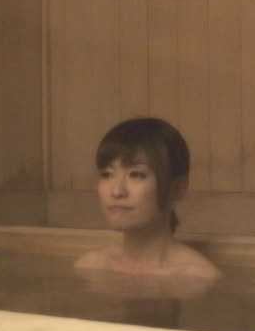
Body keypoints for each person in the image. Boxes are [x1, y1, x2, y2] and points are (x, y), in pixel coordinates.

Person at [74, 117, 222, 280]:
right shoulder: (90, 267)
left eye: (136, 174)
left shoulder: (198, 278)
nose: (116, 191)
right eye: (107, 174)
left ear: (177, 188)